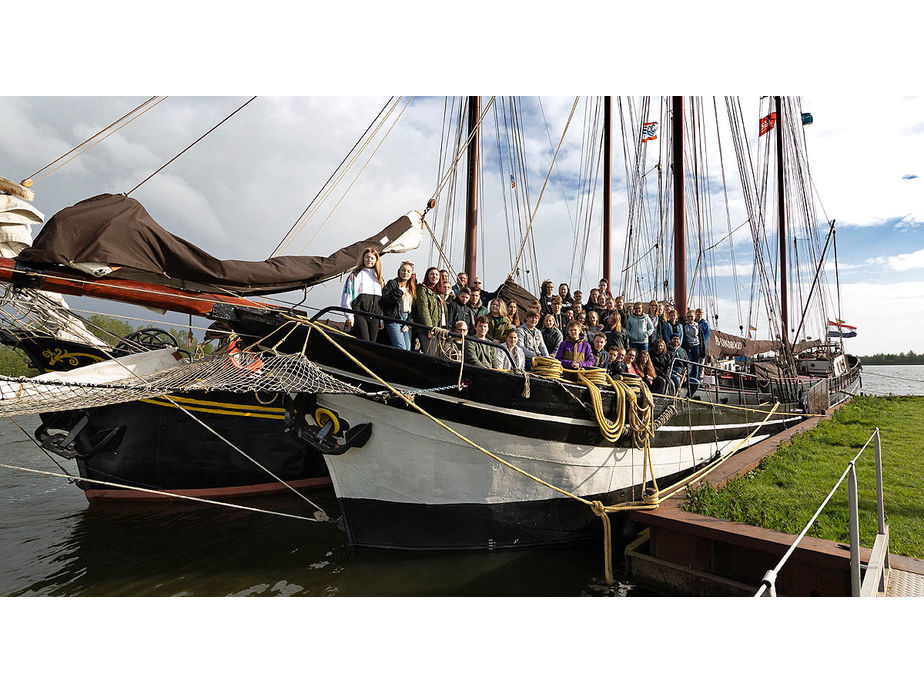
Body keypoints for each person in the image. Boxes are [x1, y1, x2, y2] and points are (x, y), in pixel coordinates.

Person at [341, 246, 384, 342]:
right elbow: (347, 296)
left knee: (372, 343)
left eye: (372, 258)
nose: (369, 260)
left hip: (375, 316)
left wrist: (381, 319)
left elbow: (381, 301)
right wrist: (349, 316)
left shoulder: (379, 278)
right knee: (365, 340)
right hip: (360, 314)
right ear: (363, 258)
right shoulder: (356, 275)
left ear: (376, 260)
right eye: (367, 257)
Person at [380, 259, 416, 350]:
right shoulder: (392, 284)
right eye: (403, 270)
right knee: (401, 347)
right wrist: (398, 292)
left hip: (406, 319)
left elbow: (414, 308)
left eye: (408, 271)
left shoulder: (412, 288)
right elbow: (384, 300)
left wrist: (409, 324)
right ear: (399, 271)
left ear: (411, 274)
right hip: (394, 318)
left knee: (407, 349)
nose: (405, 273)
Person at [415, 266, 447, 353]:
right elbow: (423, 310)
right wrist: (430, 329)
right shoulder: (423, 289)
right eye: (432, 274)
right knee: (430, 353)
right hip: (428, 330)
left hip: (439, 329)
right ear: (427, 276)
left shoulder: (440, 294)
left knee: (437, 354)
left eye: (437, 274)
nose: (434, 276)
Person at [681, 309, 704, 392]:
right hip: (688, 347)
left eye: (692, 316)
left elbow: (701, 338)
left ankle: (694, 381)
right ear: (686, 317)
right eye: (689, 316)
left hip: (696, 346)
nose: (690, 318)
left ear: (694, 317)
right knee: (688, 364)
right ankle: (689, 380)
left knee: (696, 364)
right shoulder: (684, 326)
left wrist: (702, 350)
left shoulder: (698, 326)